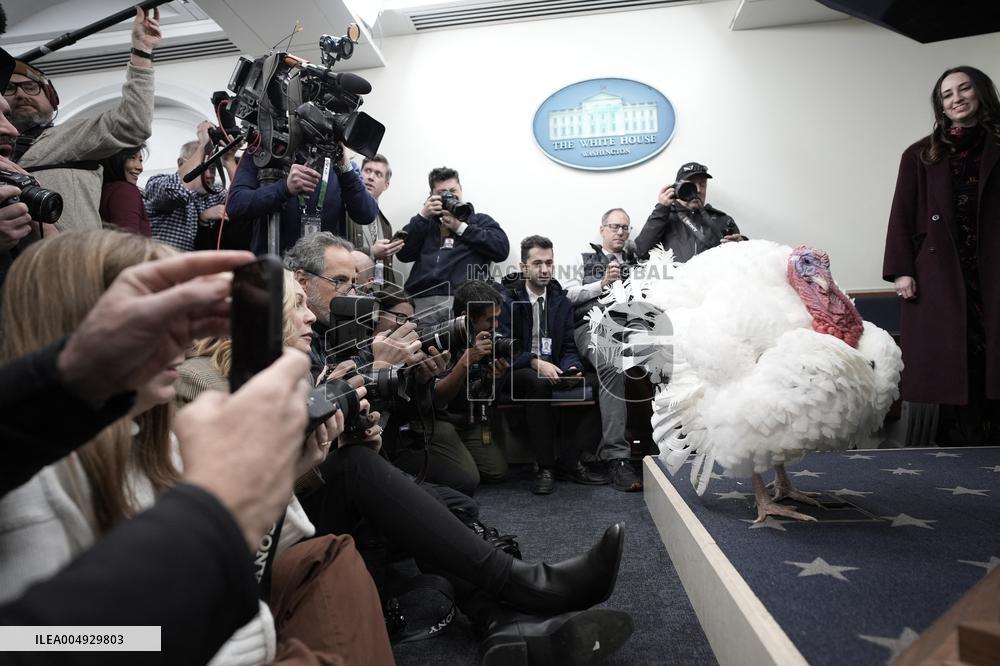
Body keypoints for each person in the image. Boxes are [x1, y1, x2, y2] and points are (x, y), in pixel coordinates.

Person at [0, 230, 393, 664]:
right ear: (77, 322)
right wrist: (217, 512)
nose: (185, 342)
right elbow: (36, 643)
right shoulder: (31, 495)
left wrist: (280, 476)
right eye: (152, 319)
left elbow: (247, 564)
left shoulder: (153, 440)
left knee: (333, 556)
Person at [883, 65, 1000, 445]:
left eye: (964, 89)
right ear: (941, 105)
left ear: (981, 93)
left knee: (992, 359)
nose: (957, 98)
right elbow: (901, 213)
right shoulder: (920, 154)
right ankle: (960, 448)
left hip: (993, 270)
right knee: (954, 361)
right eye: (947, 95)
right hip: (940, 274)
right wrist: (902, 270)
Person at [6, 8, 160, 232]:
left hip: (70, 261)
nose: (21, 94)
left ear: (51, 99)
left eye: (31, 86)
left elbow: (133, 123)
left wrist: (142, 51)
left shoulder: (69, 136)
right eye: (9, 88)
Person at [500, 235, 607, 495]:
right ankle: (545, 467)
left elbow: (569, 346)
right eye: (537, 263)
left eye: (549, 262)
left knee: (598, 381)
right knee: (538, 384)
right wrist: (535, 362)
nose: (545, 269)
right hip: (518, 369)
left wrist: (572, 366)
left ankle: (570, 459)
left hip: (554, 367)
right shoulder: (507, 299)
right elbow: (501, 345)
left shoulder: (561, 301)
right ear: (524, 267)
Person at [564, 208, 643, 492]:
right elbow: (567, 294)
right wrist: (602, 284)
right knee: (611, 363)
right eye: (615, 227)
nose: (621, 232)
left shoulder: (638, 260)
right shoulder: (582, 258)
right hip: (593, 326)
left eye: (625, 227)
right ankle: (618, 458)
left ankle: (667, 448)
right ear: (602, 229)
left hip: (633, 328)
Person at [397, 166, 509, 326]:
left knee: (465, 349)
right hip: (422, 300)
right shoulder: (426, 224)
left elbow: (501, 249)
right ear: (431, 196)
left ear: (461, 190)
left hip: (463, 300)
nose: (449, 195)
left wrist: (461, 227)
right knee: (420, 348)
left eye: (452, 190)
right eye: (442, 192)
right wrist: (422, 216)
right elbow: (403, 254)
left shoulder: (479, 221)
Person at [226, 142, 378, 256]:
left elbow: (367, 214)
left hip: (323, 275)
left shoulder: (344, 167)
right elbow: (235, 205)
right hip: (274, 273)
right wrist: (284, 188)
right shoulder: (264, 151)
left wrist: (344, 166)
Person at [145, 123, 236, 251]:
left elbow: (243, 202)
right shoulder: (157, 182)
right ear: (181, 163)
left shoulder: (215, 194)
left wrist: (229, 160)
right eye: (203, 167)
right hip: (163, 265)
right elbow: (176, 192)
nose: (209, 175)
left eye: (213, 168)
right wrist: (204, 145)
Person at [633, 161, 745, 262]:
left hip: (714, 282)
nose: (699, 190)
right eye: (692, 184)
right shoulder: (663, 217)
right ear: (678, 188)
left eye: (702, 184)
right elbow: (641, 252)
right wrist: (661, 209)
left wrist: (741, 244)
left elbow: (744, 261)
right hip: (676, 282)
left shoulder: (723, 220)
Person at [345, 153, 403, 271]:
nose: (371, 177)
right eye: (367, 170)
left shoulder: (386, 225)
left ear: (386, 185)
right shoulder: (344, 212)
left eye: (378, 174)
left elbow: (388, 272)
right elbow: (334, 253)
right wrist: (372, 252)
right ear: (359, 174)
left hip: (378, 288)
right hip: (349, 286)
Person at [99, 144, 149, 236]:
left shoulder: (105, 189)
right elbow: (128, 242)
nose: (140, 167)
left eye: (140, 160)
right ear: (116, 159)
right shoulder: (124, 191)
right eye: (132, 158)